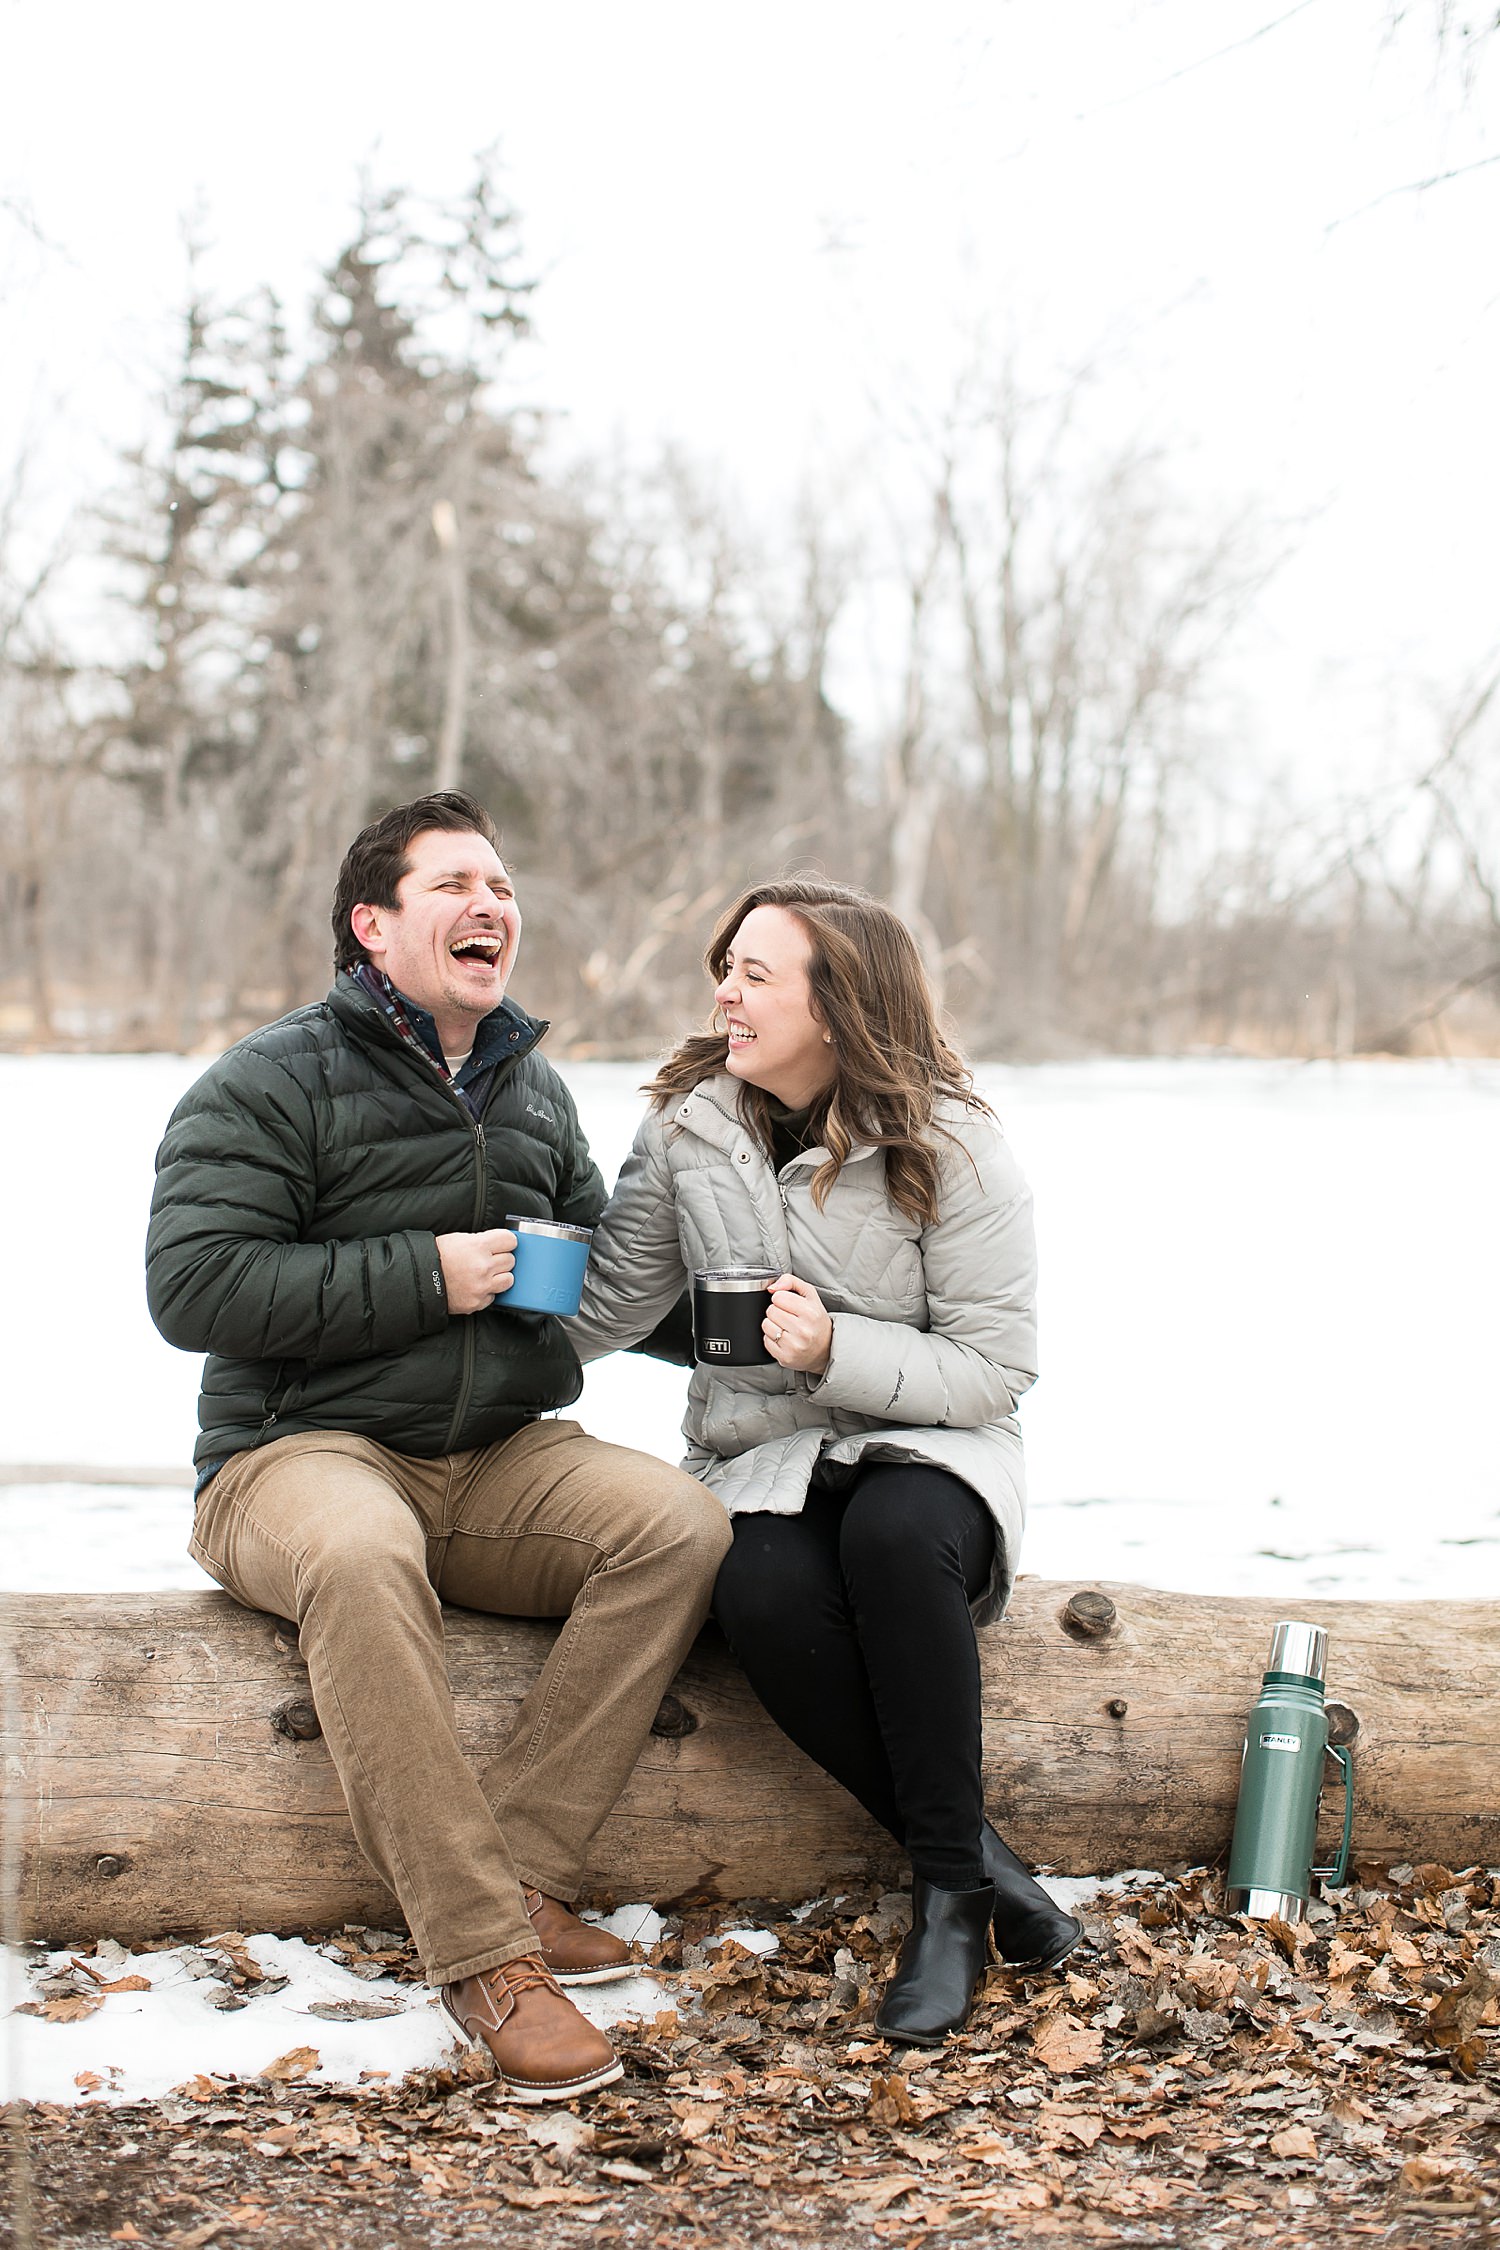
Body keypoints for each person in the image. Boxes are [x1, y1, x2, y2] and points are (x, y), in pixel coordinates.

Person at [145, 790, 732, 2105]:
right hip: (294, 1454)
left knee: (678, 1524)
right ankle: (482, 1956)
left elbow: (601, 1281)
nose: (492, 906)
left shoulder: (531, 1087)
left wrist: (759, 1327)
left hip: (493, 1454)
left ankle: (520, 1872)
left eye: (504, 887)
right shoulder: (270, 1077)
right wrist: (425, 1273)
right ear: (373, 923)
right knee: (359, 1553)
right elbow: (193, 1288)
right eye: (456, 883)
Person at [567, 877, 1081, 2046]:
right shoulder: (691, 1125)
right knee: (758, 1589)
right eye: (727, 966)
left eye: (756, 973)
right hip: (761, 1455)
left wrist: (838, 1348)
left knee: (893, 1536)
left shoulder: (955, 1144)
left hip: (934, 1450)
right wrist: (467, 1290)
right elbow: (605, 1309)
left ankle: (947, 1901)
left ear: (839, 1009)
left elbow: (995, 1370)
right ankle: (991, 1873)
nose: (724, 993)